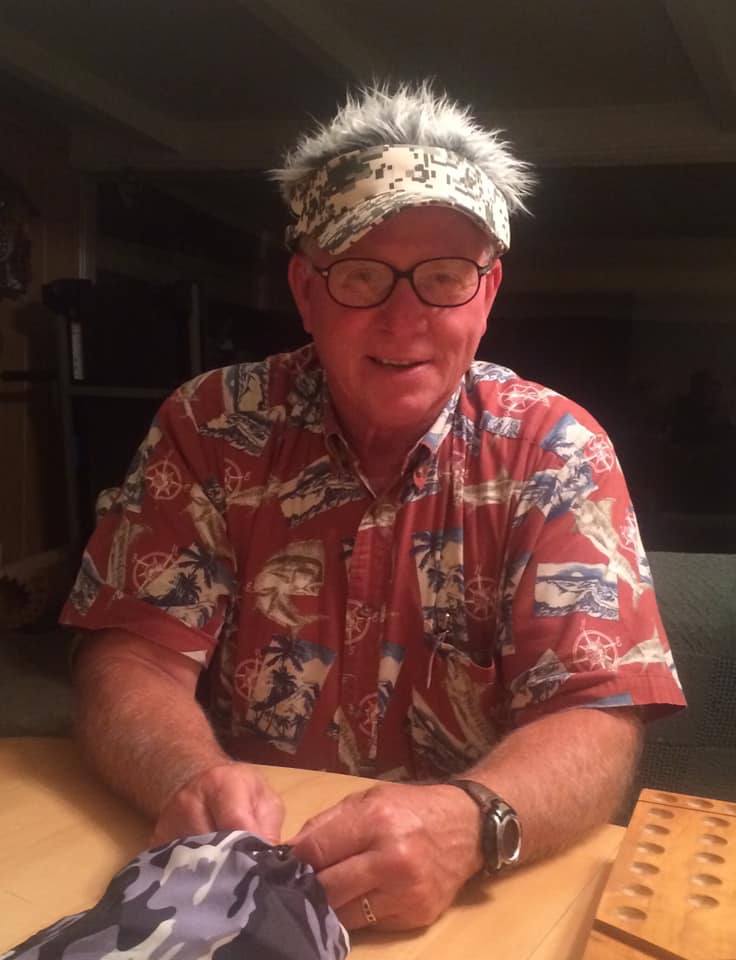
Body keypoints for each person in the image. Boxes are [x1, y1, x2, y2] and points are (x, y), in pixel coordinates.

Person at [61, 82, 685, 932]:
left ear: (487, 292)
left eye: (444, 277)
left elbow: (595, 716)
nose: (404, 318)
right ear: (307, 290)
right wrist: (183, 776)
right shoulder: (211, 426)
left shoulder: (556, 450)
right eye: (361, 274)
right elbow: (131, 658)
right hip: (250, 886)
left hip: (480, 897)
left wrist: (472, 823)